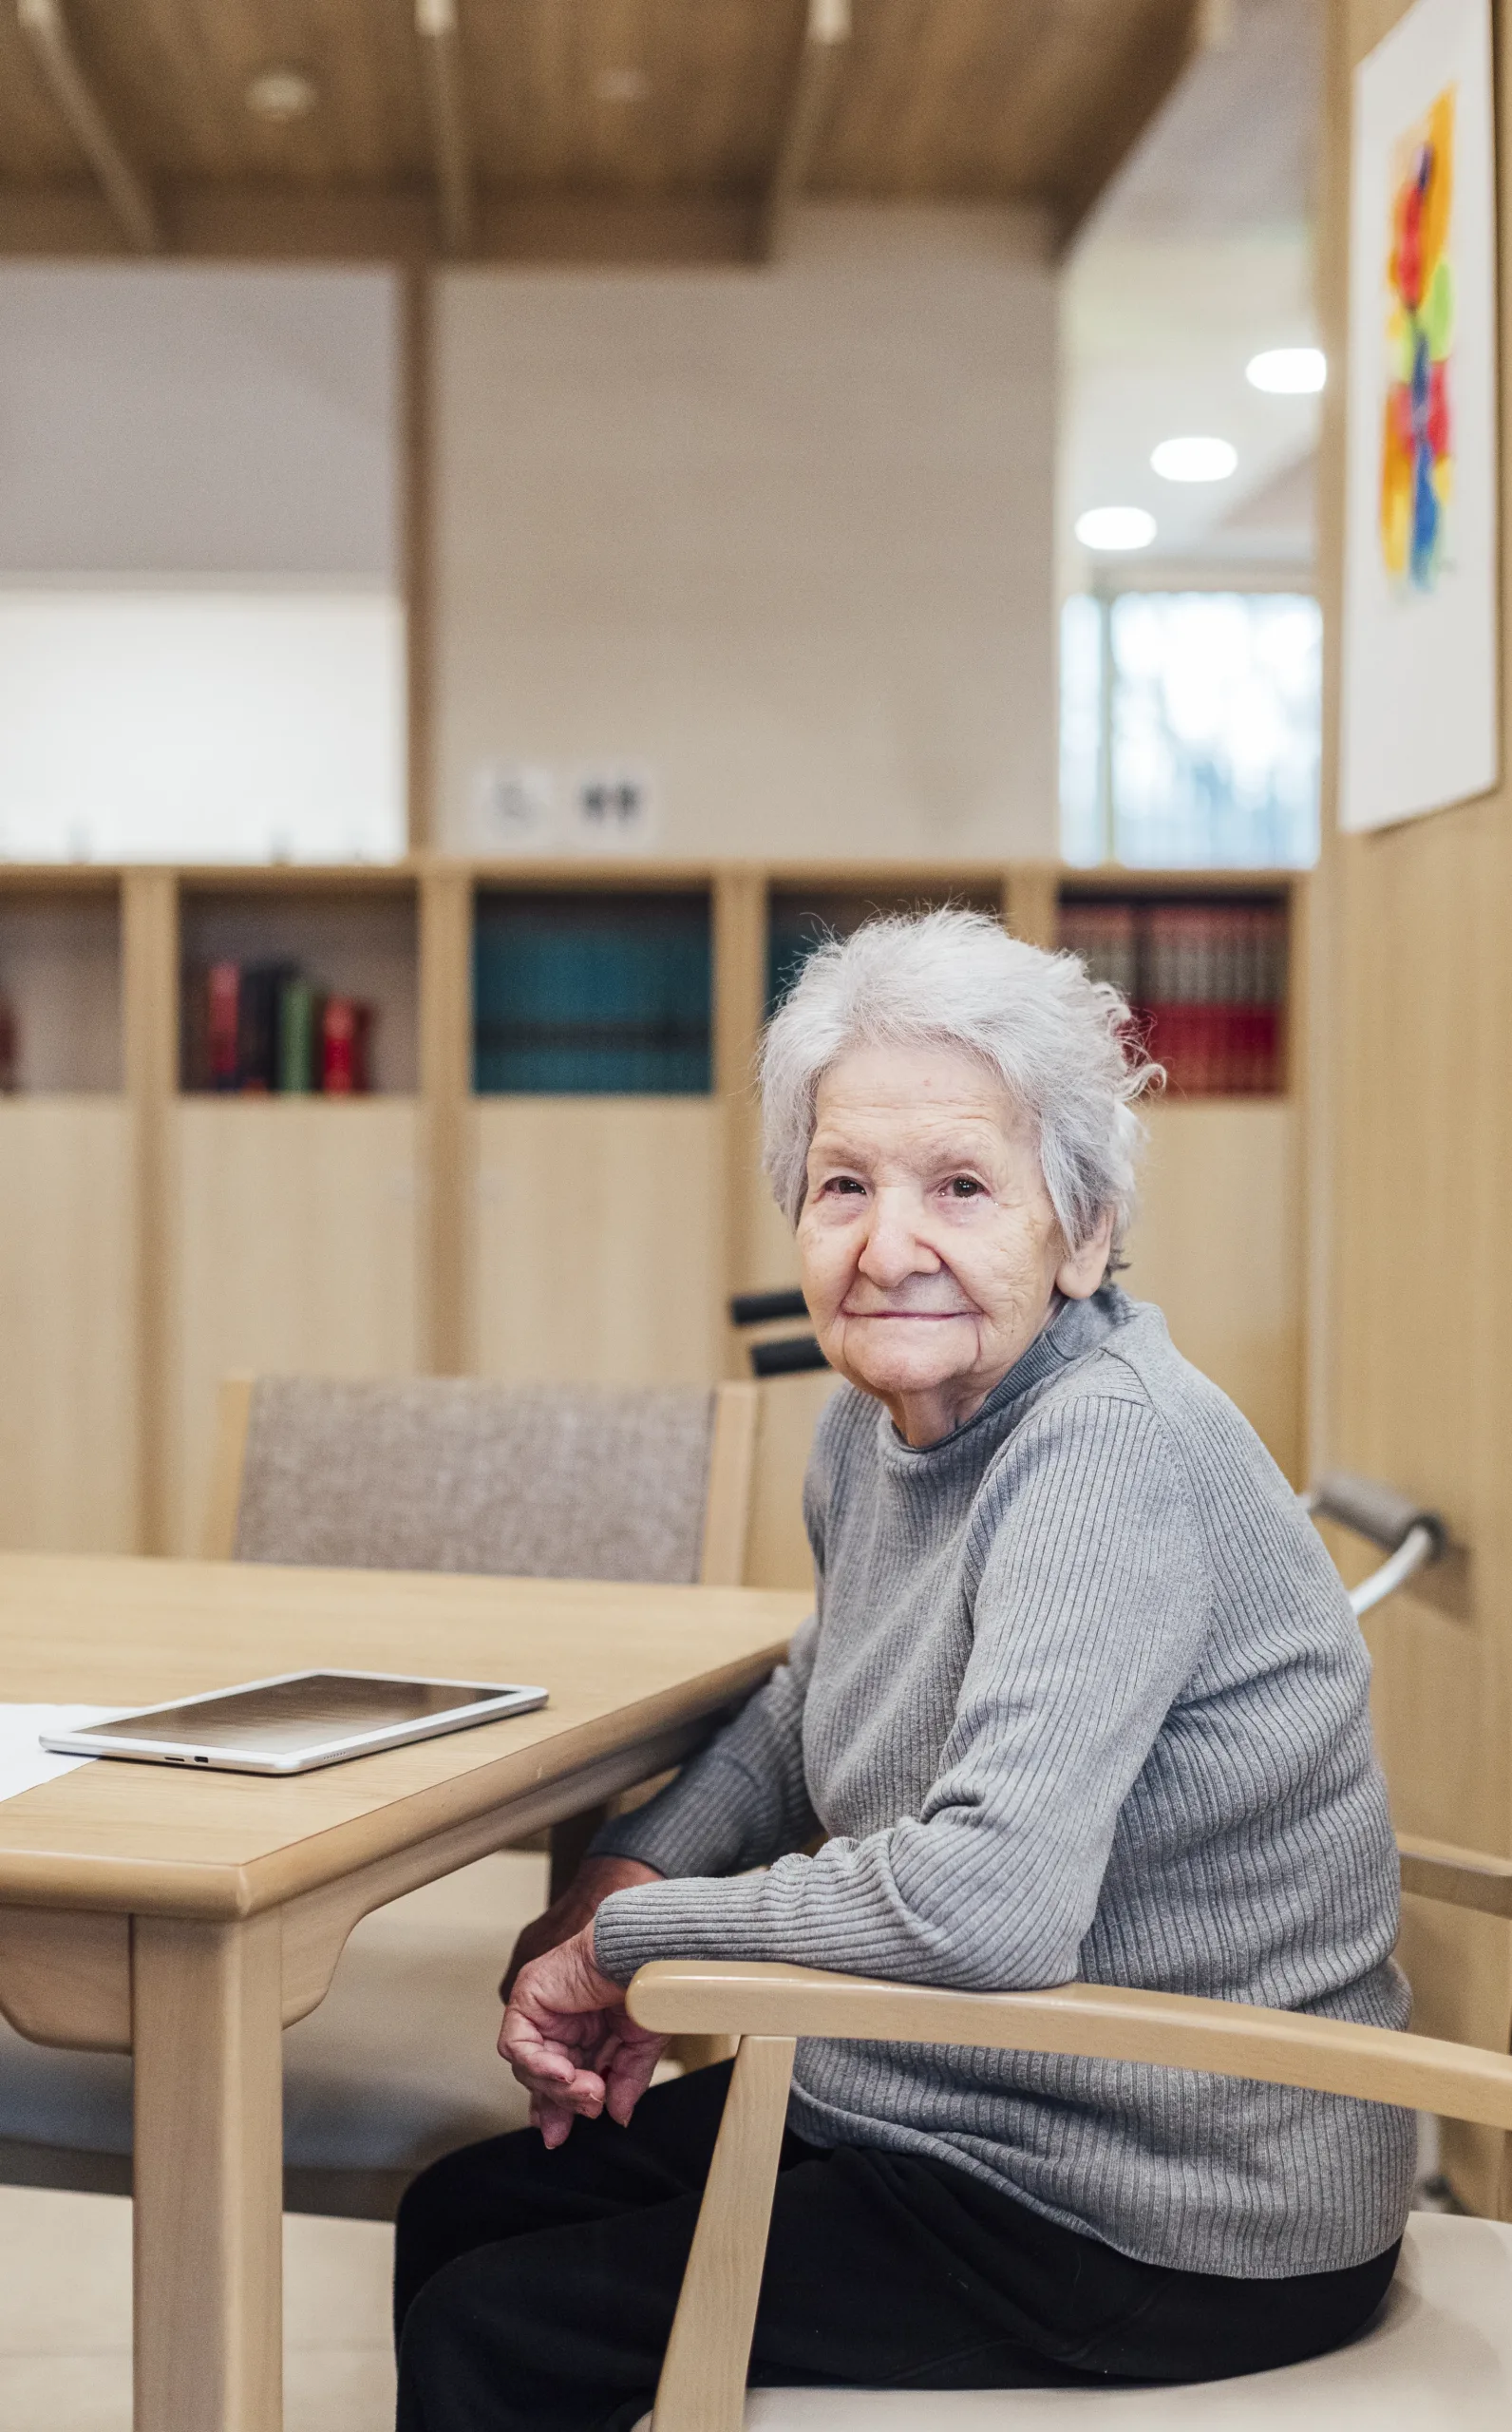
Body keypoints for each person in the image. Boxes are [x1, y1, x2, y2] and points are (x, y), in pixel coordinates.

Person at [393, 907, 1411, 2432]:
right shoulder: (882, 1428)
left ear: (1082, 1232)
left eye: (961, 1188)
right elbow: (815, 1701)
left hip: (1170, 2190)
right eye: (843, 1187)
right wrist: (626, 1870)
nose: (888, 1247)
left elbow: (988, 1907)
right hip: (955, 2101)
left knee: (509, 2323)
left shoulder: (1103, 1447)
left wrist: (631, 1946)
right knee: (461, 2213)